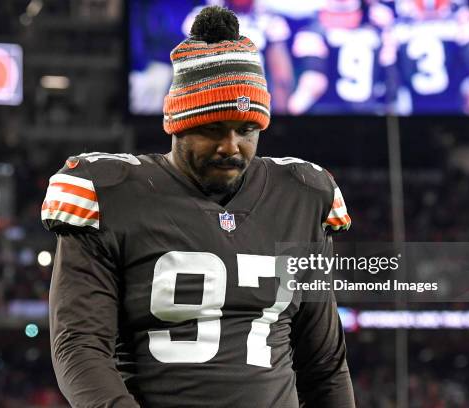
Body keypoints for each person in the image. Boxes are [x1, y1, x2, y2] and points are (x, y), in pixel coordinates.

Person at [42, 6, 355, 408]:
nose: (231, 147)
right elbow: (79, 347)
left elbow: (324, 363)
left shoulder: (303, 196)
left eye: (246, 130)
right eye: (212, 129)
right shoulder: (110, 193)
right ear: (178, 123)